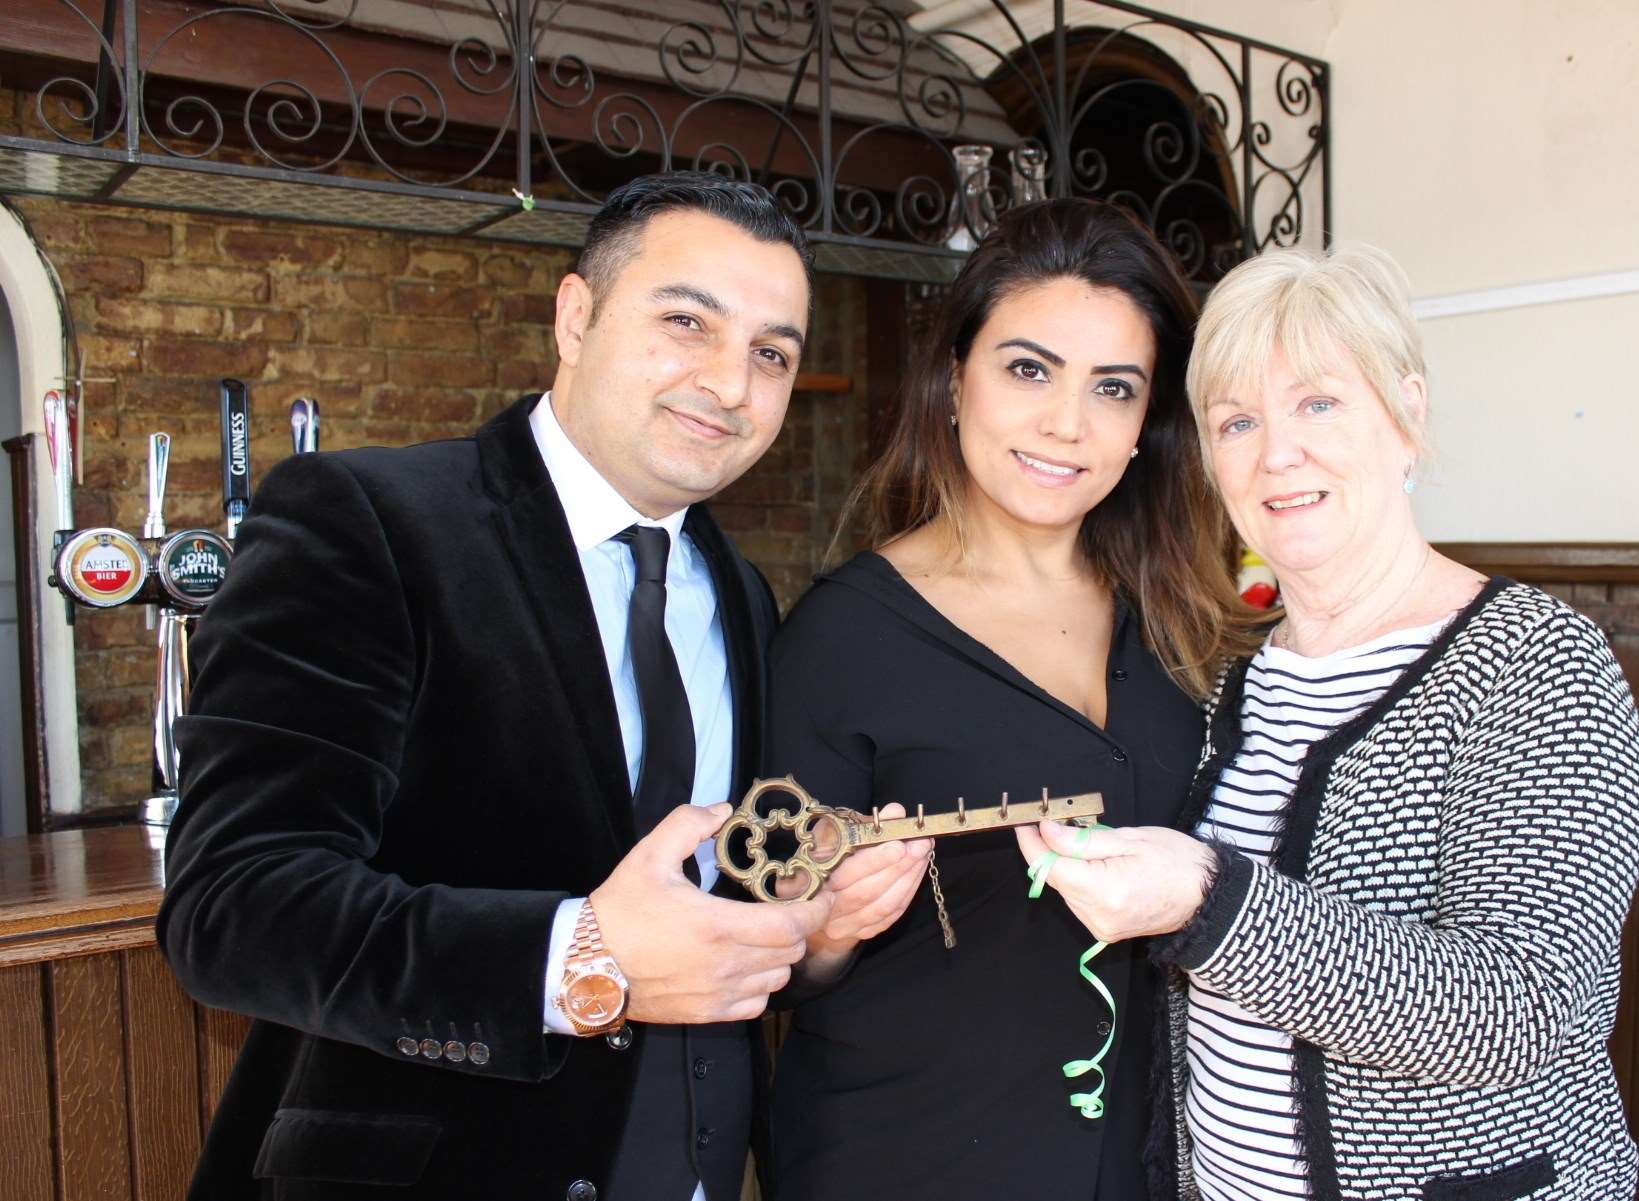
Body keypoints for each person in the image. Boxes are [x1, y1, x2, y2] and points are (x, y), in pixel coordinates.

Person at [157, 171, 836, 1201]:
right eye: (687, 322)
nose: (731, 384)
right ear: (576, 316)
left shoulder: (739, 593)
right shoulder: (365, 522)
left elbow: (687, 896)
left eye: (770, 354)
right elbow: (233, 907)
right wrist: (574, 959)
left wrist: (814, 911)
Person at [1018, 243, 1639, 1199]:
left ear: (1407, 413)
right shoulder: (1226, 678)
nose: (1277, 452)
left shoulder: (1534, 661)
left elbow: (1526, 1007)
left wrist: (1208, 904)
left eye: (1318, 403)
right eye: (1236, 421)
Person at [761, 199, 1262, 1200]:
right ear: (954, 378)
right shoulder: (840, 635)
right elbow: (774, 949)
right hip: (904, 1155)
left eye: (1111, 388)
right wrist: (826, 928)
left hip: (1144, 1158)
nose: (1065, 424)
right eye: (1028, 368)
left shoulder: (1185, 626)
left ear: (1143, 427)